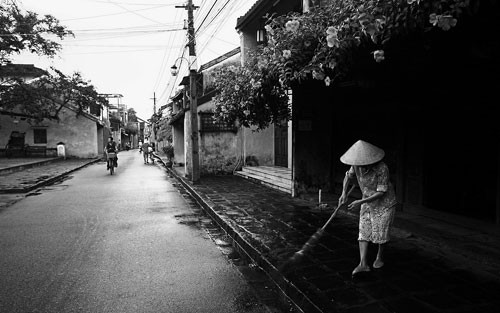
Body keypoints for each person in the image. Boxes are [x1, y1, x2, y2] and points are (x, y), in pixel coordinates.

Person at [338, 140, 397, 276]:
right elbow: (348, 177)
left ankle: (379, 256)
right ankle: (363, 263)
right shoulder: (356, 165)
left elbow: (381, 192)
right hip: (366, 200)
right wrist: (343, 193)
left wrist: (360, 201)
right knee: (364, 230)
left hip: (385, 202)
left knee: (381, 231)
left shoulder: (382, 168)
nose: (362, 167)